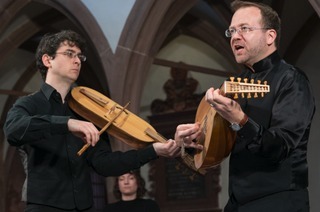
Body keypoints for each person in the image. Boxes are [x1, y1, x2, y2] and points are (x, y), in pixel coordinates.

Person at [3, 30, 202, 212]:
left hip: (84, 208)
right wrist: (67, 123)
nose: (78, 61)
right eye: (70, 53)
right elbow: (13, 129)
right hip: (44, 207)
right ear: (48, 60)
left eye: (80, 56)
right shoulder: (29, 104)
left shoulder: (87, 112)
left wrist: (153, 151)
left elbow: (105, 164)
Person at [176, 1, 315, 212]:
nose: (235, 37)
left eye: (244, 29)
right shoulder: (235, 83)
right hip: (238, 202)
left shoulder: (292, 80)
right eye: (232, 31)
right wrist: (192, 142)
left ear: (270, 36)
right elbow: (216, 149)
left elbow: (281, 147)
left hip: (279, 201)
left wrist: (240, 120)